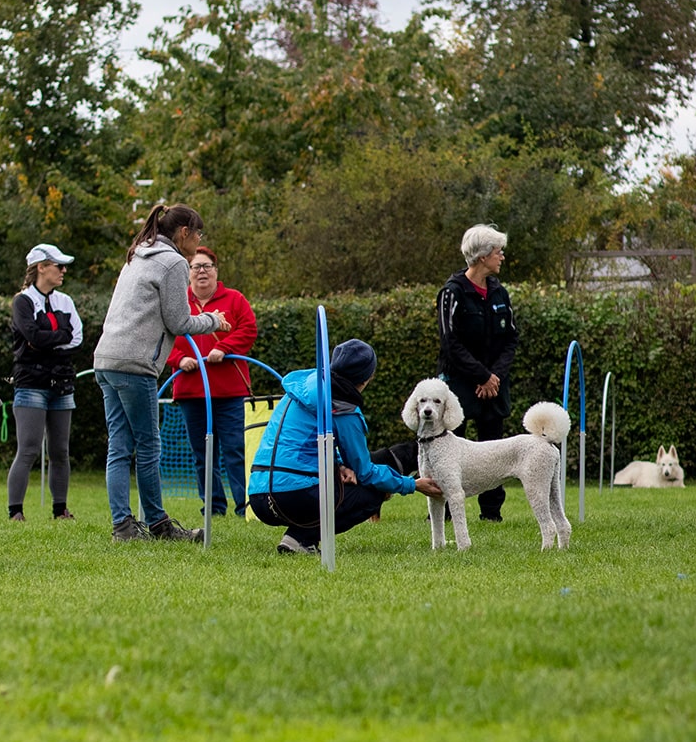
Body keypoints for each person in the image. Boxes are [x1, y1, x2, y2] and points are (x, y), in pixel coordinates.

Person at [94, 203, 231, 543]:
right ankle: (158, 526)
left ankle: (123, 528)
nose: (198, 242)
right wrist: (214, 320)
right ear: (183, 232)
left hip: (106, 359)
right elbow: (178, 321)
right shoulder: (171, 262)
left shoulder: (137, 254)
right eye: (197, 234)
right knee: (149, 445)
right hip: (134, 364)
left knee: (119, 446)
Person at [248, 339, 441, 554]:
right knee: (372, 493)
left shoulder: (300, 390)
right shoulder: (343, 409)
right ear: (368, 377)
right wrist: (412, 485)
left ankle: (298, 539)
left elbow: (303, 445)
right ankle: (301, 538)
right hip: (292, 497)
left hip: (257, 496)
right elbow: (365, 472)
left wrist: (338, 465)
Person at [165, 247, 258, 518]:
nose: (201, 271)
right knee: (202, 454)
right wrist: (179, 359)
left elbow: (248, 330)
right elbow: (161, 338)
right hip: (191, 391)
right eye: (195, 267)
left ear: (216, 271)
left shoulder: (235, 299)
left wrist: (225, 348)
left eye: (207, 266)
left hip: (230, 392)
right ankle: (214, 508)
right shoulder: (177, 301)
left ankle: (244, 506)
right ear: (188, 273)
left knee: (235, 450)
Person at [436, 224, 518, 522]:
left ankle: (491, 513)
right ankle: (444, 512)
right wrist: (480, 375)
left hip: (494, 385)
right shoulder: (451, 293)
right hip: (458, 382)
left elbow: (511, 339)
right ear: (483, 256)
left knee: (493, 448)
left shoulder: (500, 292)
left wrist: (494, 376)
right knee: (449, 446)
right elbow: (449, 342)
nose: (502, 257)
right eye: (498, 251)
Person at [7, 243, 83, 522]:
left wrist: (46, 340)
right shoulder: (23, 301)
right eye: (59, 266)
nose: (64, 271)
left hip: (61, 383)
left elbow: (76, 338)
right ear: (41, 267)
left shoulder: (65, 301)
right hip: (31, 384)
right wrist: (57, 335)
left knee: (60, 451)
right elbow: (31, 337)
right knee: (28, 449)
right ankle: (16, 512)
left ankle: (60, 510)